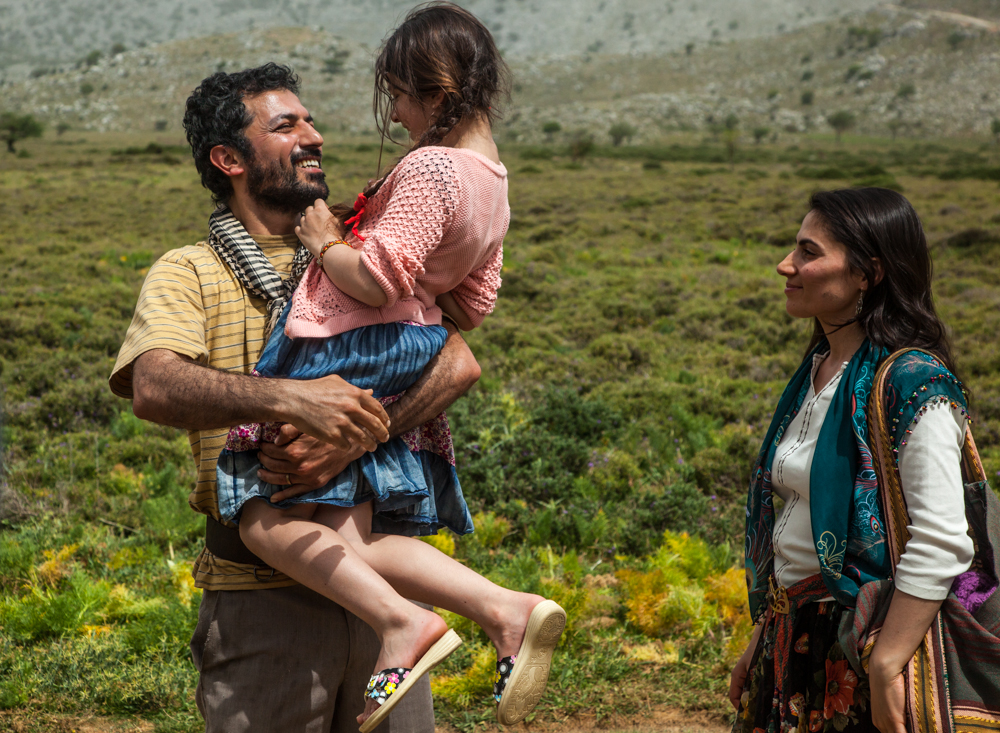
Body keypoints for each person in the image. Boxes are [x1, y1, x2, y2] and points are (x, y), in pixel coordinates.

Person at [214, 4, 565, 730]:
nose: (398, 115)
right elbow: (473, 300)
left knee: (259, 515)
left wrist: (322, 239)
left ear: (435, 90)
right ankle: (502, 608)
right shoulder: (491, 178)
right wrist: (412, 279)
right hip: (408, 345)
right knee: (351, 537)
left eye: (400, 96)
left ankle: (409, 624)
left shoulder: (433, 165)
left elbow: (374, 280)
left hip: (354, 343)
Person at [109, 62, 483, 732]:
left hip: (385, 599)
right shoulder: (190, 270)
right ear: (229, 158)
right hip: (263, 603)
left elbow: (456, 360)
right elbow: (154, 383)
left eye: (309, 120)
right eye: (286, 126)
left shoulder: (363, 251)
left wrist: (358, 434)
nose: (313, 136)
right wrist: (291, 399)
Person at [730, 188, 975, 733]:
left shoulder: (914, 383)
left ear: (869, 273)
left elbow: (941, 540)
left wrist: (887, 665)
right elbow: (795, 524)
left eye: (809, 252)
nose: (785, 265)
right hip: (794, 640)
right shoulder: (818, 370)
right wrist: (761, 641)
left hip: (859, 648)